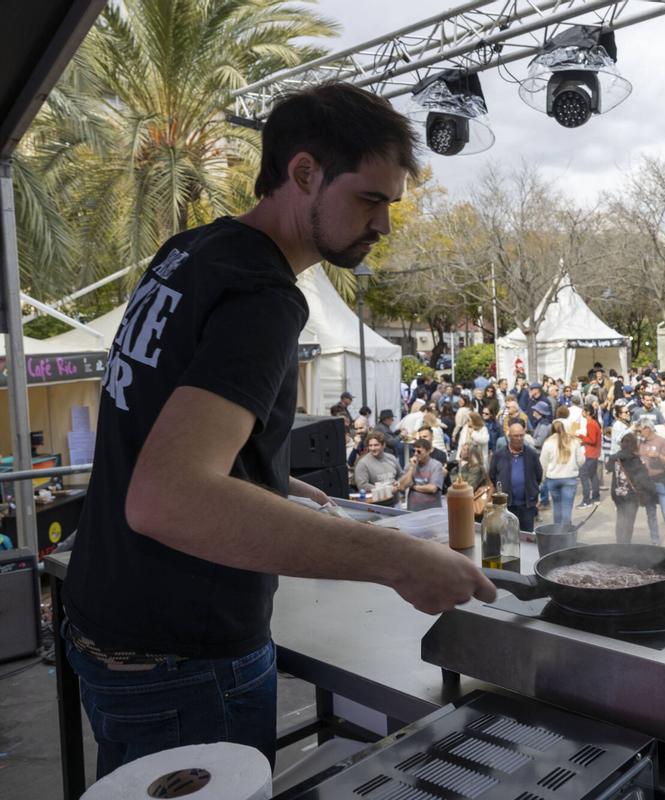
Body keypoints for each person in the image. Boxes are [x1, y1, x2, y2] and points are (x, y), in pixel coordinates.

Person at [61, 83, 496, 779]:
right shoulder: (264, 298)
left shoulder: (191, 252)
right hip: (185, 653)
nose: (383, 225)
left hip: (105, 624)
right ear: (303, 174)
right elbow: (165, 498)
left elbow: (156, 424)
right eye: (370, 199)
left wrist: (265, 476)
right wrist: (396, 560)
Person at [488, 420, 543, 533]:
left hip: (527, 505)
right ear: (509, 436)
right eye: (515, 436)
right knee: (507, 535)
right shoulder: (499, 455)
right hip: (506, 506)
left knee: (527, 535)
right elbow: (493, 475)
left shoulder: (531, 454)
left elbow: (538, 475)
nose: (519, 438)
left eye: (521, 435)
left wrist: (532, 491)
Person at [608, 432, 658, 544]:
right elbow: (643, 478)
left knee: (620, 518)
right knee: (629, 521)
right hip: (631, 495)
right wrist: (653, 492)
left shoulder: (614, 457)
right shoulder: (635, 460)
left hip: (617, 494)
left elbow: (608, 468)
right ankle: (626, 544)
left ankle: (619, 542)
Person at [639, 420, 665, 549]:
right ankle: (655, 542)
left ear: (648, 429)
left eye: (641, 430)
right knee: (650, 514)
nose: (639, 432)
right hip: (647, 483)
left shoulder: (662, 442)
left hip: (660, 481)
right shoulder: (641, 443)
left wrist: (658, 456)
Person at [538, 420, 584, 526]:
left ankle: (557, 531)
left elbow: (543, 463)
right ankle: (566, 533)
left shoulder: (548, 443)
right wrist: (574, 467)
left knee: (557, 507)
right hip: (569, 477)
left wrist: (542, 479)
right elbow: (581, 460)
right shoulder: (574, 441)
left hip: (553, 478)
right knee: (567, 508)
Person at [396, 438, 445, 511]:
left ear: (428, 451)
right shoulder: (410, 465)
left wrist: (414, 487)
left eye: (419, 451)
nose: (415, 454)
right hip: (413, 508)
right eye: (413, 451)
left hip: (431, 509)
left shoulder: (436, 465)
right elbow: (402, 487)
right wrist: (412, 468)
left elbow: (432, 488)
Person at [354, 432, 401, 506]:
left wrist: (398, 483)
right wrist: (387, 489)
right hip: (377, 506)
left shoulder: (391, 458)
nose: (373, 448)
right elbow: (362, 486)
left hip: (395, 502)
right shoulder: (363, 463)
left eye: (376, 445)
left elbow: (400, 476)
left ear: (383, 445)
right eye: (370, 445)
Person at [577, 404, 602, 509]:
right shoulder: (594, 423)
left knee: (584, 475)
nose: (582, 413)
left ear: (587, 412)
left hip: (591, 453)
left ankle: (586, 500)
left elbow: (592, 440)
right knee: (593, 475)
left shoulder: (590, 424)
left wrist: (580, 436)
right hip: (594, 452)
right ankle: (596, 497)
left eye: (583, 411)